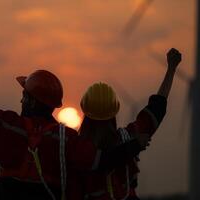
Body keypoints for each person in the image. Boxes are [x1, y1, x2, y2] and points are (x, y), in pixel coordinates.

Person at [0, 61, 150, 200]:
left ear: (33, 103)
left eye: (25, 96)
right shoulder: (65, 139)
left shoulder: (6, 125)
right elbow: (101, 160)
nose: (21, 99)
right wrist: (134, 145)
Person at [67, 48, 182, 200]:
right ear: (114, 115)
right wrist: (171, 69)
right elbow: (157, 108)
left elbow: (157, 107)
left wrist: (171, 69)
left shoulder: (75, 148)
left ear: (86, 116)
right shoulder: (128, 138)